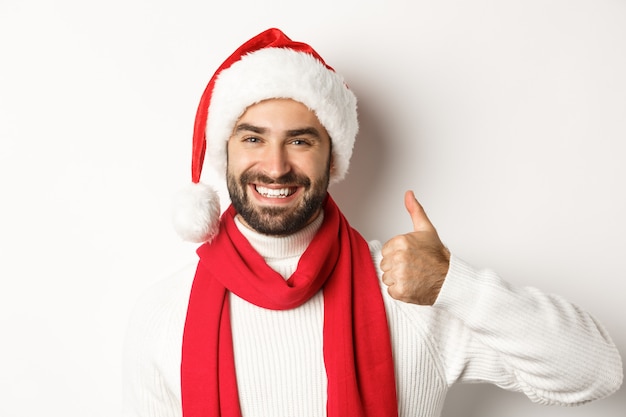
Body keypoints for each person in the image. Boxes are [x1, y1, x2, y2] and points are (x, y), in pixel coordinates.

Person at [122, 28, 622, 417]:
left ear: (331, 157)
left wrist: (455, 283)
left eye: (300, 141)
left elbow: (597, 372)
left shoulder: (411, 293)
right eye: (253, 139)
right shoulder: (165, 313)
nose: (275, 167)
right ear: (223, 154)